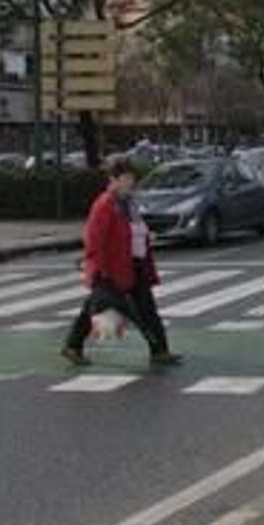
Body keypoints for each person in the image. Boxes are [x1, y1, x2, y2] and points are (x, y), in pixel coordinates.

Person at [62, 156, 181, 367]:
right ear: (113, 179)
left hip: (134, 266)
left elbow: (133, 231)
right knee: (132, 312)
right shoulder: (105, 204)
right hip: (112, 269)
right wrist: (98, 270)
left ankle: (160, 351)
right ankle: (73, 346)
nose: (130, 182)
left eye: (132, 178)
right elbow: (93, 239)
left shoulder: (128, 203)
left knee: (146, 309)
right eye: (126, 178)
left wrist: (145, 236)